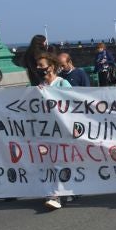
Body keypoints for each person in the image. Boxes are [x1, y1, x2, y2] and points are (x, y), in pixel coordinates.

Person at [32, 53, 72, 210]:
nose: (38, 68)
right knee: (49, 163)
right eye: (37, 65)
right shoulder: (39, 87)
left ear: (52, 67)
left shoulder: (63, 84)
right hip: (45, 132)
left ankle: (56, 195)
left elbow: (74, 104)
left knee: (59, 162)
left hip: (62, 132)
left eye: (41, 65)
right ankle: (58, 192)